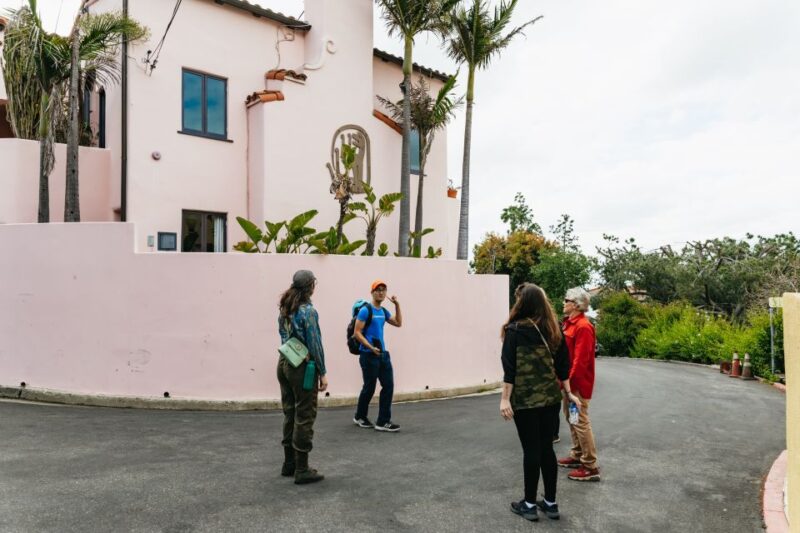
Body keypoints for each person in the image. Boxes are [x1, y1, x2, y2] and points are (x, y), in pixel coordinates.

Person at [500, 283, 580, 522]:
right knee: (547, 449)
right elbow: (563, 365)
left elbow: (509, 369)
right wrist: (568, 392)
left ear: (522, 302)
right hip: (550, 399)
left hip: (525, 401)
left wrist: (505, 399)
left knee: (531, 450)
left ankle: (528, 504)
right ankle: (551, 503)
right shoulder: (554, 329)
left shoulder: (514, 330)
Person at [277, 270, 328, 484]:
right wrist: (322, 372)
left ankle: (289, 464)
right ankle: (302, 469)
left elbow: (283, 335)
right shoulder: (308, 311)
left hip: (284, 362)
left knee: (290, 413)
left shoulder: (285, 308)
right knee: (305, 414)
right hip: (302, 368)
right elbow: (314, 343)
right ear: (310, 286)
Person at [558, 287, 601, 482]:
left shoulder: (583, 326)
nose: (563, 303)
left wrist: (570, 387)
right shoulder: (570, 324)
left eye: (566, 300)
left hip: (576, 385)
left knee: (581, 421)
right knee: (572, 418)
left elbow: (580, 361)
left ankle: (590, 465)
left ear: (575, 304)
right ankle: (577, 454)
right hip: (569, 384)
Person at [352, 279, 402, 432]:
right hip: (368, 355)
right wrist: (370, 347)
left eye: (383, 290)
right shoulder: (366, 310)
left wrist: (397, 305)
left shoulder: (383, 311)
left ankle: (383, 421)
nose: (381, 292)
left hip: (382, 354)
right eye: (378, 289)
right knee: (369, 388)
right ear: (372, 292)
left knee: (388, 386)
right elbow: (357, 333)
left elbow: (398, 323)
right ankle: (360, 416)